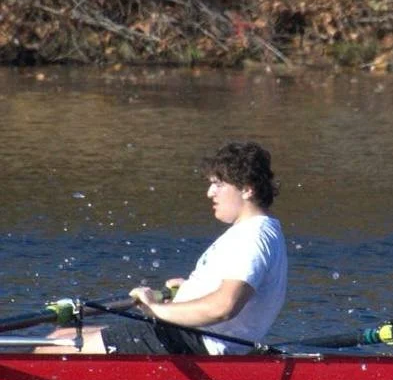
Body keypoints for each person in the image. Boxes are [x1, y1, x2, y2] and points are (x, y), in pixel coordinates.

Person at [35, 141, 288, 355]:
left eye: (219, 184)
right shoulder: (257, 232)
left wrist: (156, 310)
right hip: (192, 337)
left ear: (247, 189)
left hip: (194, 344)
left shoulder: (251, 238)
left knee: (51, 349)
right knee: (62, 335)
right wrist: (190, 290)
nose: (210, 193)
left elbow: (224, 307)